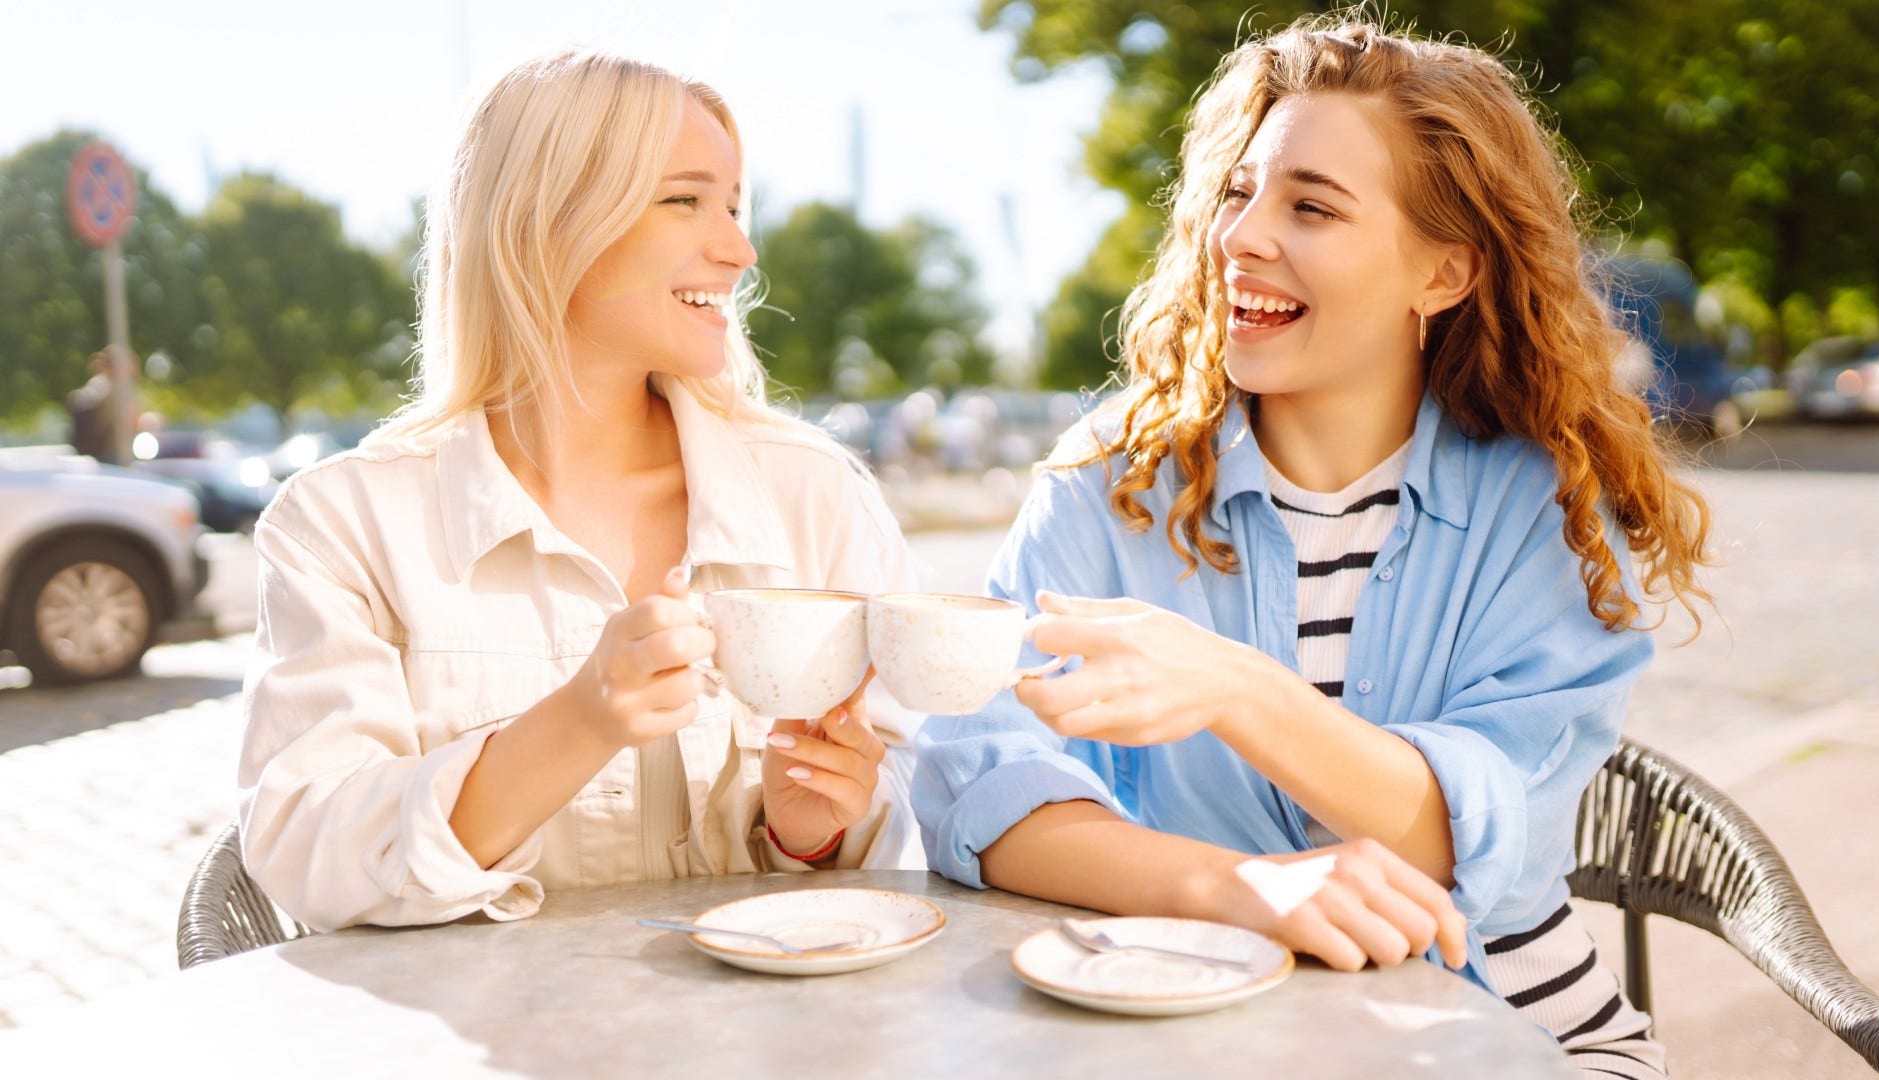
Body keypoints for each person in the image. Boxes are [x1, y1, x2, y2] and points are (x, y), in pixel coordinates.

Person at [912, 14, 1711, 1078]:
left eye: (1312, 206)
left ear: (1445, 274)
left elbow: (1473, 840)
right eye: (1238, 193)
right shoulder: (1110, 480)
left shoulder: (1541, 504)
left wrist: (1240, 691)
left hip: (1514, 1027)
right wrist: (1232, 889)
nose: (1240, 236)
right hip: (1198, 1029)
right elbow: (982, 779)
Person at [239, 49, 921, 933]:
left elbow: (906, 809)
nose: (740, 249)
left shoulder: (818, 496)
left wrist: (811, 836)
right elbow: (307, 857)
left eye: (735, 205)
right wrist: (577, 725)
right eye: (685, 200)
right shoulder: (341, 525)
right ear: (546, 222)